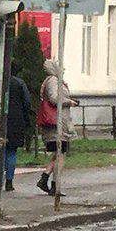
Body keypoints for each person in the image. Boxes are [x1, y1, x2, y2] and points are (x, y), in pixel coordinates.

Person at [36, 60, 77, 196]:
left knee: (58, 154)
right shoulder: (53, 80)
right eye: (61, 68)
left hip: (58, 123)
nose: (63, 70)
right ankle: (52, 183)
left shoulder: (53, 80)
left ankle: (46, 179)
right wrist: (69, 102)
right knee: (60, 154)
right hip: (57, 124)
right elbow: (54, 98)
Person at [5, 62, 33, 192]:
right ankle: (9, 181)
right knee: (11, 151)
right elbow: (27, 103)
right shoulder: (19, 83)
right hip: (16, 120)